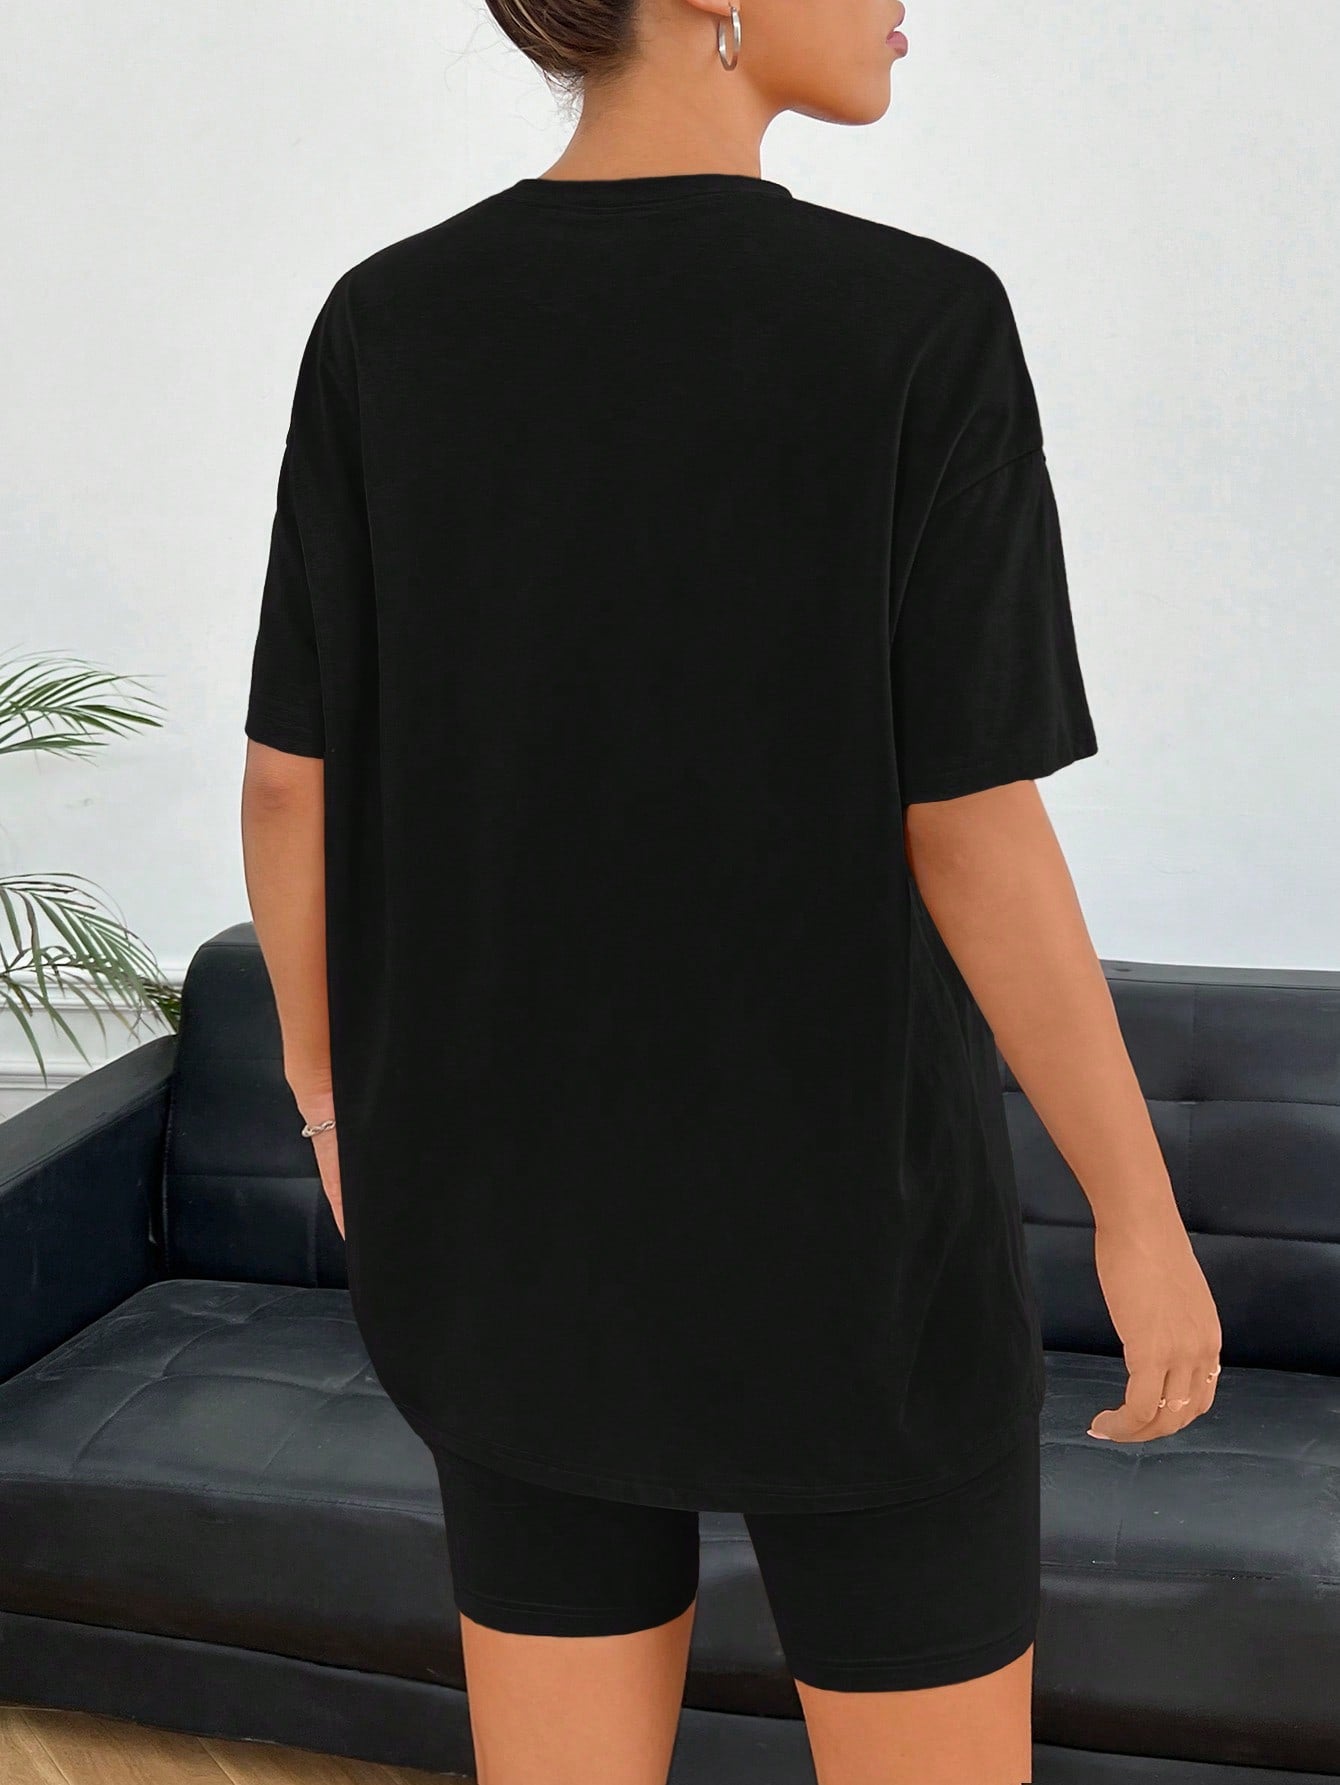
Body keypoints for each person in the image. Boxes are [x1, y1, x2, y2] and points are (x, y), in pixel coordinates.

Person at [238, 2, 1223, 1781]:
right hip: (851, 1247)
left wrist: (326, 1098)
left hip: (508, 1228)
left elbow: (288, 784)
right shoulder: (920, 323)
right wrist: (1137, 1213)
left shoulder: (387, 322)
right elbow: (969, 824)